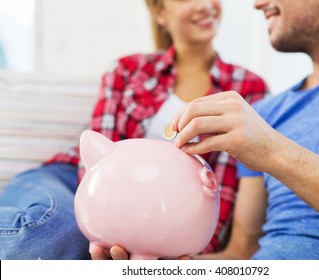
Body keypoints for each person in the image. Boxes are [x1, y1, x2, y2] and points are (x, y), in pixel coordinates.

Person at [0, 0, 268, 260]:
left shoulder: (246, 89)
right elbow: (96, 161)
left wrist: (181, 248)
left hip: (152, 217)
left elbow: (222, 186)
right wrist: (106, 224)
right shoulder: (128, 70)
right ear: (160, 13)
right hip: (77, 183)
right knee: (34, 240)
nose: (205, 5)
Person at [169, 0, 319, 260]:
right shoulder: (263, 115)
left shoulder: (260, 133)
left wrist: (273, 150)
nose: (258, 4)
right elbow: (242, 253)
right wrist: (160, 266)